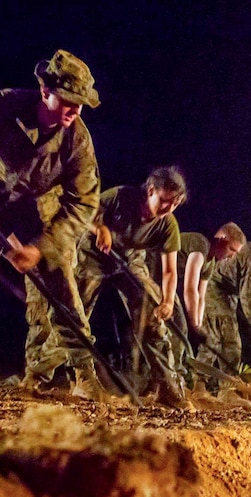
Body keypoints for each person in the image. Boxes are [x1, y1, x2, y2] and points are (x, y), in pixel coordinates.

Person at [0, 50, 105, 400]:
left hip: (35, 209)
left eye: (81, 104)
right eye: (69, 100)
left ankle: (84, 373)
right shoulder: (4, 105)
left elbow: (83, 202)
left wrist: (40, 247)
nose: (76, 110)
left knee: (61, 277)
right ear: (45, 92)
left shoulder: (78, 142)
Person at [25, 168, 188, 406]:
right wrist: (100, 229)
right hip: (93, 256)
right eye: (164, 201)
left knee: (150, 309)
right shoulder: (121, 197)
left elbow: (170, 270)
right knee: (73, 318)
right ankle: (37, 376)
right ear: (151, 191)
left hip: (130, 260)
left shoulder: (167, 225)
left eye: (175, 204)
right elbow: (87, 212)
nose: (168, 209)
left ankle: (166, 386)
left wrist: (168, 301)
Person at [196, 222, 251, 388]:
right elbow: (248, 298)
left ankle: (199, 386)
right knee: (231, 344)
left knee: (213, 340)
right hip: (217, 293)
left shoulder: (249, 249)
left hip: (212, 289)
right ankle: (227, 390)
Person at [154, 222, 247, 380]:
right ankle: (172, 379)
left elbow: (201, 296)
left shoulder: (210, 263)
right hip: (152, 269)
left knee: (179, 327)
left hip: (164, 280)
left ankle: (173, 376)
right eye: (231, 249)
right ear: (221, 239)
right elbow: (189, 288)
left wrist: (198, 324)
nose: (232, 255)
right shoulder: (201, 244)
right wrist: (193, 324)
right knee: (179, 326)